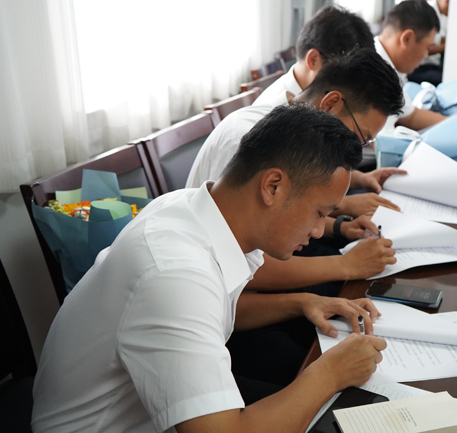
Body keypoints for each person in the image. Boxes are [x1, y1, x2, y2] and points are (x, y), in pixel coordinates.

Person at [31, 104, 389, 433]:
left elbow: (212, 312)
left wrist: (301, 302)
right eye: (319, 213)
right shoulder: (175, 274)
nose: (318, 230)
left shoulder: (192, 207)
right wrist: (330, 373)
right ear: (273, 186)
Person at [187, 48, 405, 290]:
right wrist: (347, 265)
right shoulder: (251, 137)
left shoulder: (295, 126)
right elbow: (241, 264)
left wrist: (341, 226)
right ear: (331, 104)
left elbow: (286, 212)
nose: (361, 148)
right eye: (360, 137)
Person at [254, 5, 374, 106]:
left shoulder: (316, 101)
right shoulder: (270, 113)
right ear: (313, 60)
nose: (348, 91)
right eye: (344, 78)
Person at [376, 0, 447, 133]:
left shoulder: (390, 66)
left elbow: (410, 115)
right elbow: (383, 137)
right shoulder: (373, 72)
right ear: (407, 38)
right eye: (428, 48)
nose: (426, 55)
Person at [407, 0, 449, 86]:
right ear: (446, 2)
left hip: (431, 64)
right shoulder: (428, 15)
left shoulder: (441, 16)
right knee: (445, 78)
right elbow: (426, 50)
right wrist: (447, 46)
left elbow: (441, 38)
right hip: (420, 67)